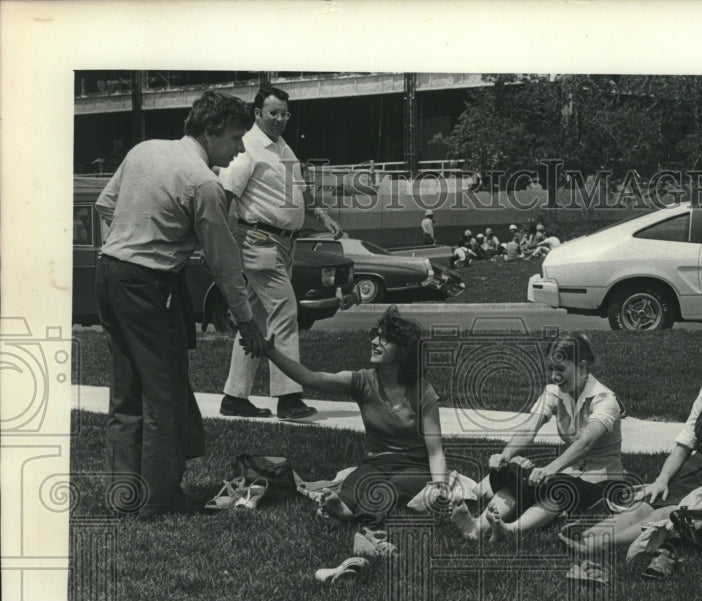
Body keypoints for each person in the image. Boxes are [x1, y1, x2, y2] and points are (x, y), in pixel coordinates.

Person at [93, 90, 267, 517]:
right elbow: (226, 268)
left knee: (126, 392)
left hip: (109, 273)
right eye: (235, 137)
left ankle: (124, 497)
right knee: (164, 395)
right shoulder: (204, 183)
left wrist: (132, 238)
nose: (241, 147)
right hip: (148, 284)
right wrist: (248, 325)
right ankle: (160, 499)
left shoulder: (144, 149)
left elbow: (104, 205)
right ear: (210, 132)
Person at [564, 322, 702, 553]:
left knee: (667, 513)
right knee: (646, 506)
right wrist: (663, 479)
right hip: (693, 472)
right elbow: (685, 442)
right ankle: (586, 535)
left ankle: (598, 545)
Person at [255, 306, 448, 548]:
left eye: (385, 338)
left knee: (388, 489)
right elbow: (311, 378)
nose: (375, 342)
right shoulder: (362, 381)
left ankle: (354, 519)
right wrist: (272, 353)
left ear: (403, 351)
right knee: (357, 482)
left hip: (416, 467)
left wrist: (439, 485)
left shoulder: (422, 390)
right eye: (375, 335)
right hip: (377, 463)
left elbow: (435, 451)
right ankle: (342, 507)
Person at [218, 86, 343, 421]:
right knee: (286, 312)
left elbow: (299, 191)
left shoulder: (282, 148)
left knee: (257, 320)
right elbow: (226, 196)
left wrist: (323, 215)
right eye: (273, 113)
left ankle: (234, 396)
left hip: (284, 244)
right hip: (259, 242)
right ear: (257, 113)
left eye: (284, 114)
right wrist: (227, 242)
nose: (279, 119)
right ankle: (289, 397)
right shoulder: (246, 148)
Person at [450, 333, 625, 542]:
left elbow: (585, 443)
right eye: (550, 369)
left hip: (601, 482)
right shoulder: (554, 393)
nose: (554, 376)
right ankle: (477, 527)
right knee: (514, 473)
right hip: (569, 472)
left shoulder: (605, 399)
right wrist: (505, 455)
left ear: (583, 367)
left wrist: (550, 468)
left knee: (559, 487)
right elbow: (528, 430)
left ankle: (510, 530)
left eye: (560, 369)